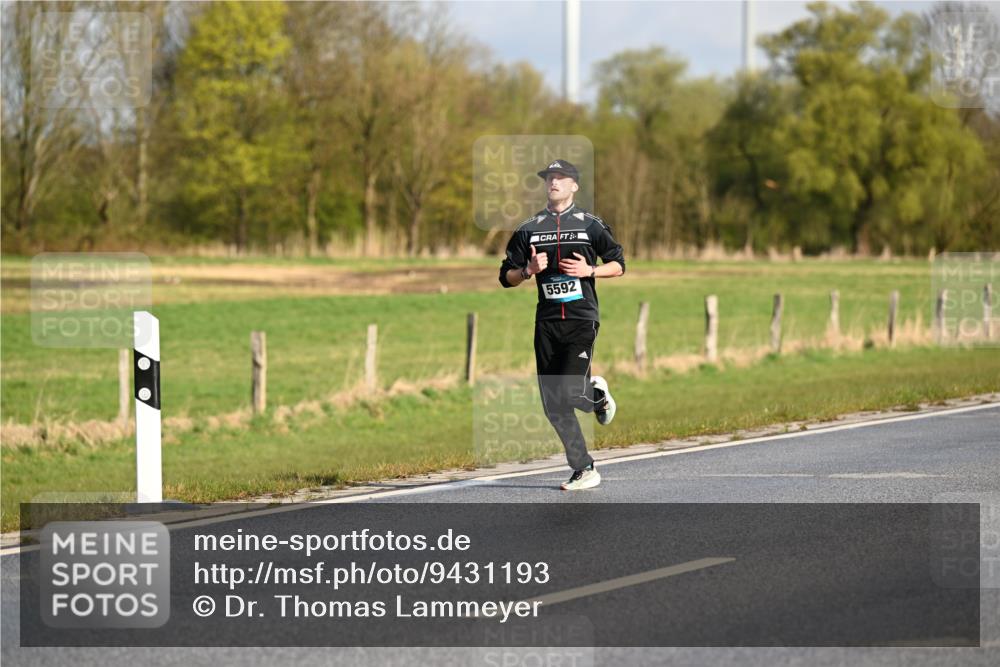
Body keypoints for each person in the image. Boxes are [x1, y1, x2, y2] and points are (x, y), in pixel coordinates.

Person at [498, 159, 625, 490]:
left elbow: (619, 264)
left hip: (581, 318)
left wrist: (591, 271)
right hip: (547, 322)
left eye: (560, 177)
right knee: (553, 403)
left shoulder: (590, 224)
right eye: (549, 177)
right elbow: (505, 277)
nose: (553, 182)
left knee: (569, 389)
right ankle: (584, 468)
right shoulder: (529, 228)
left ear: (574, 186)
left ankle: (595, 394)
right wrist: (527, 270)